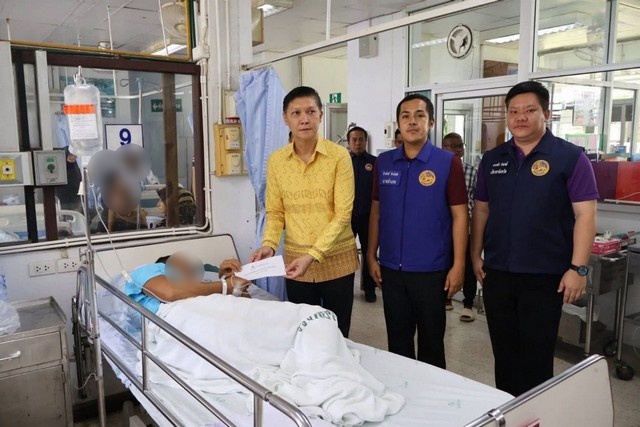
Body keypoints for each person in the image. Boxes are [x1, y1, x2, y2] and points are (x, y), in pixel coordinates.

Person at [470, 81, 598, 396]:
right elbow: (482, 210)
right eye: (513, 111)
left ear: (546, 114)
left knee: (537, 357)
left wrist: (578, 268)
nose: (520, 117)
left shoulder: (570, 157)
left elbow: (585, 215)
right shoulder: (493, 159)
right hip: (498, 274)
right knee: (504, 354)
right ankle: (509, 410)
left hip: (545, 277)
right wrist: (475, 254)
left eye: (529, 110)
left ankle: (537, 414)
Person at [367, 94, 468, 368]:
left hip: (431, 271)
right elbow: (376, 211)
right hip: (391, 269)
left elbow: (460, 216)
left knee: (431, 344)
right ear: (398, 123)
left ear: (431, 122)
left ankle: (432, 392)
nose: (412, 121)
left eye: (419, 115)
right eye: (405, 116)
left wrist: (459, 264)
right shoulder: (384, 162)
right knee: (397, 342)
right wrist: (371, 256)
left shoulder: (447, 162)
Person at [250, 86, 359, 338]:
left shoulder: (339, 156)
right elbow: (275, 212)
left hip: (337, 263)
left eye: (310, 111)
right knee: (304, 332)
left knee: (337, 333)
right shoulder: (277, 161)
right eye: (296, 113)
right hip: (296, 266)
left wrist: (312, 255)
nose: (304, 119)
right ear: (285, 118)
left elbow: (343, 214)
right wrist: (268, 244)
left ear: (321, 115)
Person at [125, 253, 251, 314]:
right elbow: (170, 293)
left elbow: (247, 304)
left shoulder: (202, 285)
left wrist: (228, 279)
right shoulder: (146, 270)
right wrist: (225, 285)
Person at [442, 132, 478, 322]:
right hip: (443, 227)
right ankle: (446, 298)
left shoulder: (471, 171)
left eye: (459, 146)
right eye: (451, 146)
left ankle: (468, 304)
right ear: (443, 148)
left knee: (468, 265)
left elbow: (476, 201)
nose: (456, 149)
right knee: (445, 262)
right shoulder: (438, 170)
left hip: (466, 226)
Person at [347, 126, 378, 303]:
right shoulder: (342, 162)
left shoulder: (374, 163)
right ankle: (346, 287)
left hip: (368, 217)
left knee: (369, 252)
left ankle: (369, 289)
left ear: (366, 141)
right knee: (347, 253)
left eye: (361, 139)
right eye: (354, 140)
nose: (357, 143)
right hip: (347, 218)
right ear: (348, 142)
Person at [55, 147, 82, 211]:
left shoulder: (75, 167)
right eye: (71, 155)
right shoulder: (61, 168)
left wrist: (81, 201)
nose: (73, 157)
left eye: (74, 155)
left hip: (75, 199)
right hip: (63, 200)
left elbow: (80, 181)